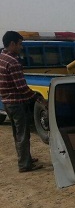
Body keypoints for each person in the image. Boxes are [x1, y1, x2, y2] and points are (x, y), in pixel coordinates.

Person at [0, 31, 45, 172]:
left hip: (7, 102)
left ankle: (26, 158)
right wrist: (38, 98)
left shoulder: (2, 57)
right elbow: (22, 88)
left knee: (18, 133)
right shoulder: (13, 62)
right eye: (20, 44)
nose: (21, 47)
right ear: (12, 44)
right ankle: (25, 164)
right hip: (17, 103)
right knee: (23, 133)